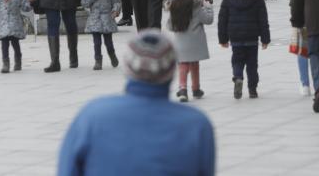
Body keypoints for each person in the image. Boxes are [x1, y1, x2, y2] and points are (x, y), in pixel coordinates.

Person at [58, 29, 215, 175]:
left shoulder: (92, 115)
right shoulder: (196, 125)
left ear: (127, 67)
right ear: (172, 70)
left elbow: (67, 170)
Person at [218, 0, 271, 100]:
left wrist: (222, 38)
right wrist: (265, 39)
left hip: (235, 36)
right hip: (252, 37)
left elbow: (222, 20)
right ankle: (252, 89)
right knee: (252, 64)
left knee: (237, 60)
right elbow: (263, 20)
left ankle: (238, 77)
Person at [166, 0, 214, 102]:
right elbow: (208, 20)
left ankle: (182, 89)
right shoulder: (197, 6)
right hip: (195, 43)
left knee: (183, 66)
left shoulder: (175, 7)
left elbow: (170, 27)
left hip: (181, 44)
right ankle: (196, 89)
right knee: (194, 66)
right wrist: (208, 8)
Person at [82, 0, 122, 71]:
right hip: (95, 20)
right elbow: (85, 3)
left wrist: (115, 10)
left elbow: (117, 2)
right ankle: (98, 61)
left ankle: (112, 55)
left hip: (107, 19)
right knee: (97, 42)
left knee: (108, 42)